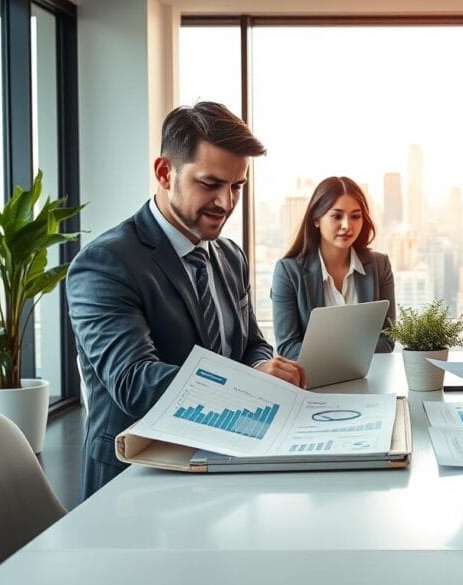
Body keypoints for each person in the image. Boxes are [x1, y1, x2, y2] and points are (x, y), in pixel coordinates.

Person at [67, 102, 306, 500]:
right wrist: (249, 385)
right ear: (165, 173)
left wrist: (263, 364)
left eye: (237, 187)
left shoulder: (229, 256)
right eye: (210, 184)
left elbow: (250, 343)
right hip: (136, 481)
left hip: (222, 464)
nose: (227, 203)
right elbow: (134, 382)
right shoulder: (105, 263)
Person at [271, 176, 396, 360]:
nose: (347, 226)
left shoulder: (380, 265)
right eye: (337, 216)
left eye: (355, 216)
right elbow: (288, 346)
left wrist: (340, 359)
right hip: (314, 383)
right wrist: (346, 358)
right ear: (316, 219)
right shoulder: (288, 272)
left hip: (367, 378)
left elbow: (387, 339)